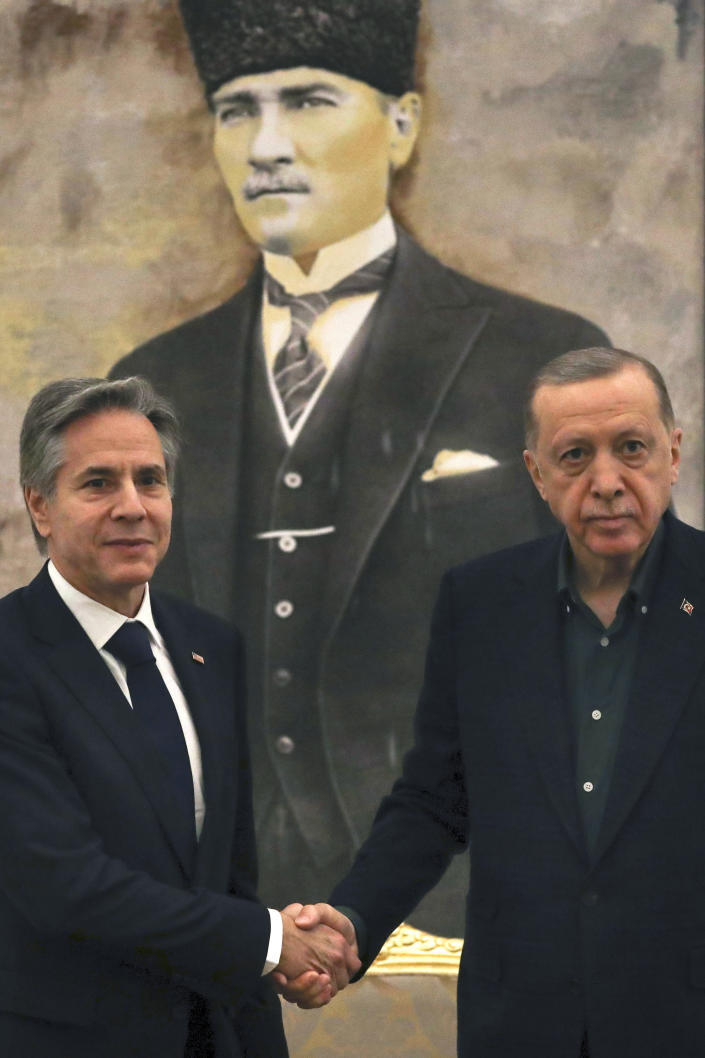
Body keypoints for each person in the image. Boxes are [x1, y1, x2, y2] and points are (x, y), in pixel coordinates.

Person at [109, 0, 609, 937]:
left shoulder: (541, 358)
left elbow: (612, 656)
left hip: (478, 909)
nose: (264, 146)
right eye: (234, 110)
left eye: (306, 102)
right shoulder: (153, 384)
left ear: (403, 124)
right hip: (226, 916)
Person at [281, 346, 705, 1057]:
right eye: (574, 457)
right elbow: (432, 800)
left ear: (672, 451)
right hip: (519, 1025)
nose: (606, 482)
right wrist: (350, 920)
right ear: (537, 474)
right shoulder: (480, 603)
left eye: (630, 449)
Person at [0, 376, 358, 1058]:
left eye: (150, 480)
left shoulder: (211, 647)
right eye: (99, 483)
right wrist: (272, 941)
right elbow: (66, 888)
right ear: (41, 507)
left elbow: (227, 874)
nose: (132, 507)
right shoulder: (9, 658)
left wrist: (283, 966)